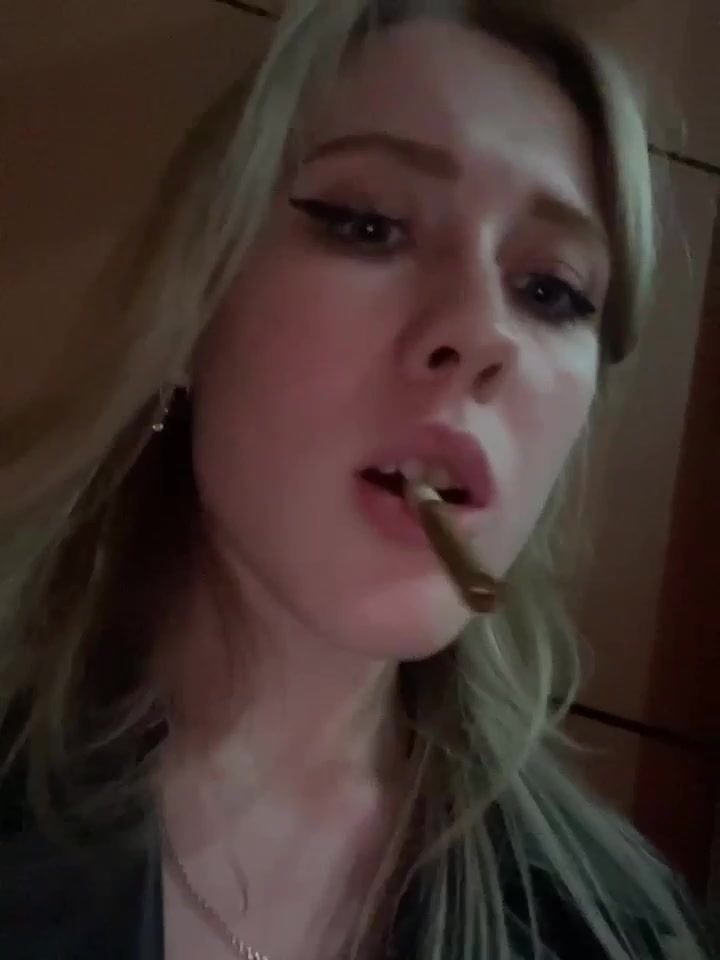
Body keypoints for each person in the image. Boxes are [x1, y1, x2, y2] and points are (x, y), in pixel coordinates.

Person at [0, 0, 713, 958]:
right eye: (371, 225)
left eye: (551, 291)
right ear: (196, 307)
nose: (482, 331)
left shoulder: (620, 934)